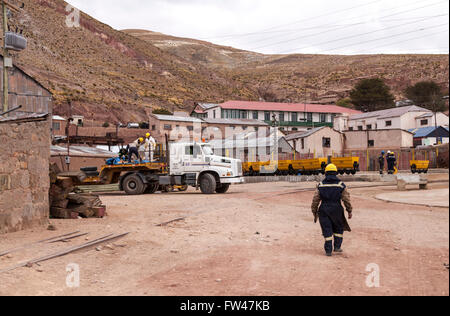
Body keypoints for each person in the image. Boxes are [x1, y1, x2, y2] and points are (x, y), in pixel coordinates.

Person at [311, 164, 353, 257]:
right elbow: (346, 199)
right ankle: (337, 247)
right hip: (337, 209)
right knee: (338, 228)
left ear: (325, 173)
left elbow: (315, 200)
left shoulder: (320, 185)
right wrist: (349, 210)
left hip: (324, 209)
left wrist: (314, 212)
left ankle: (328, 250)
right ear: (336, 173)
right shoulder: (340, 184)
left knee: (327, 229)